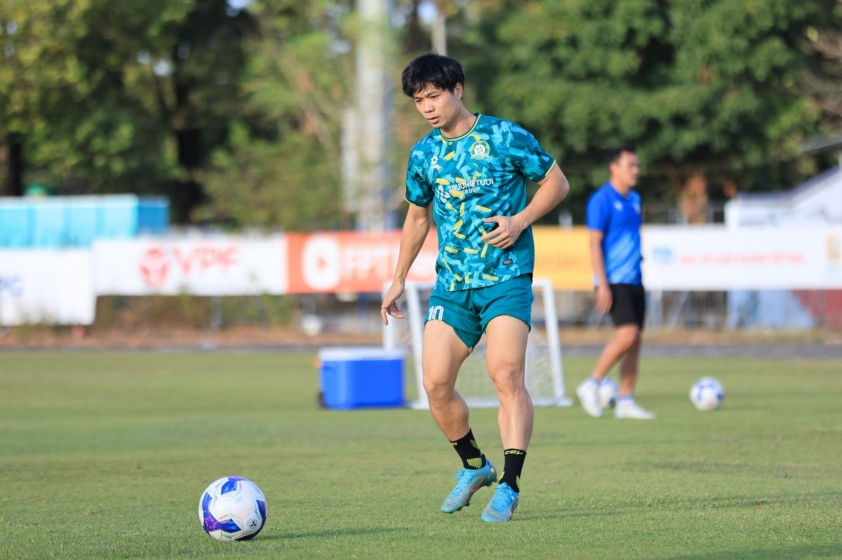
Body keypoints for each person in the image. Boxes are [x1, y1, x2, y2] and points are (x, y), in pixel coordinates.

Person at [380, 53, 569, 522]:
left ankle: (509, 484)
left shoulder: (504, 136)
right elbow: (417, 218)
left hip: (506, 277)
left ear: (458, 89)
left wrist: (520, 220)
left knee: (506, 375)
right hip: (453, 286)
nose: (427, 107)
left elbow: (556, 183)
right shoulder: (423, 154)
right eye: (419, 100)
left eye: (434, 96)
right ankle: (474, 466)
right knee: (435, 383)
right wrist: (398, 277)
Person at [576, 147, 655, 420]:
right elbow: (595, 244)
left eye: (637, 165)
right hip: (614, 280)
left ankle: (626, 401)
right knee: (627, 335)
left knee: (635, 341)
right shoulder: (601, 200)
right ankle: (592, 383)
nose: (636, 170)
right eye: (631, 165)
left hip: (635, 279)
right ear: (614, 167)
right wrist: (602, 284)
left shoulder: (635, 199)